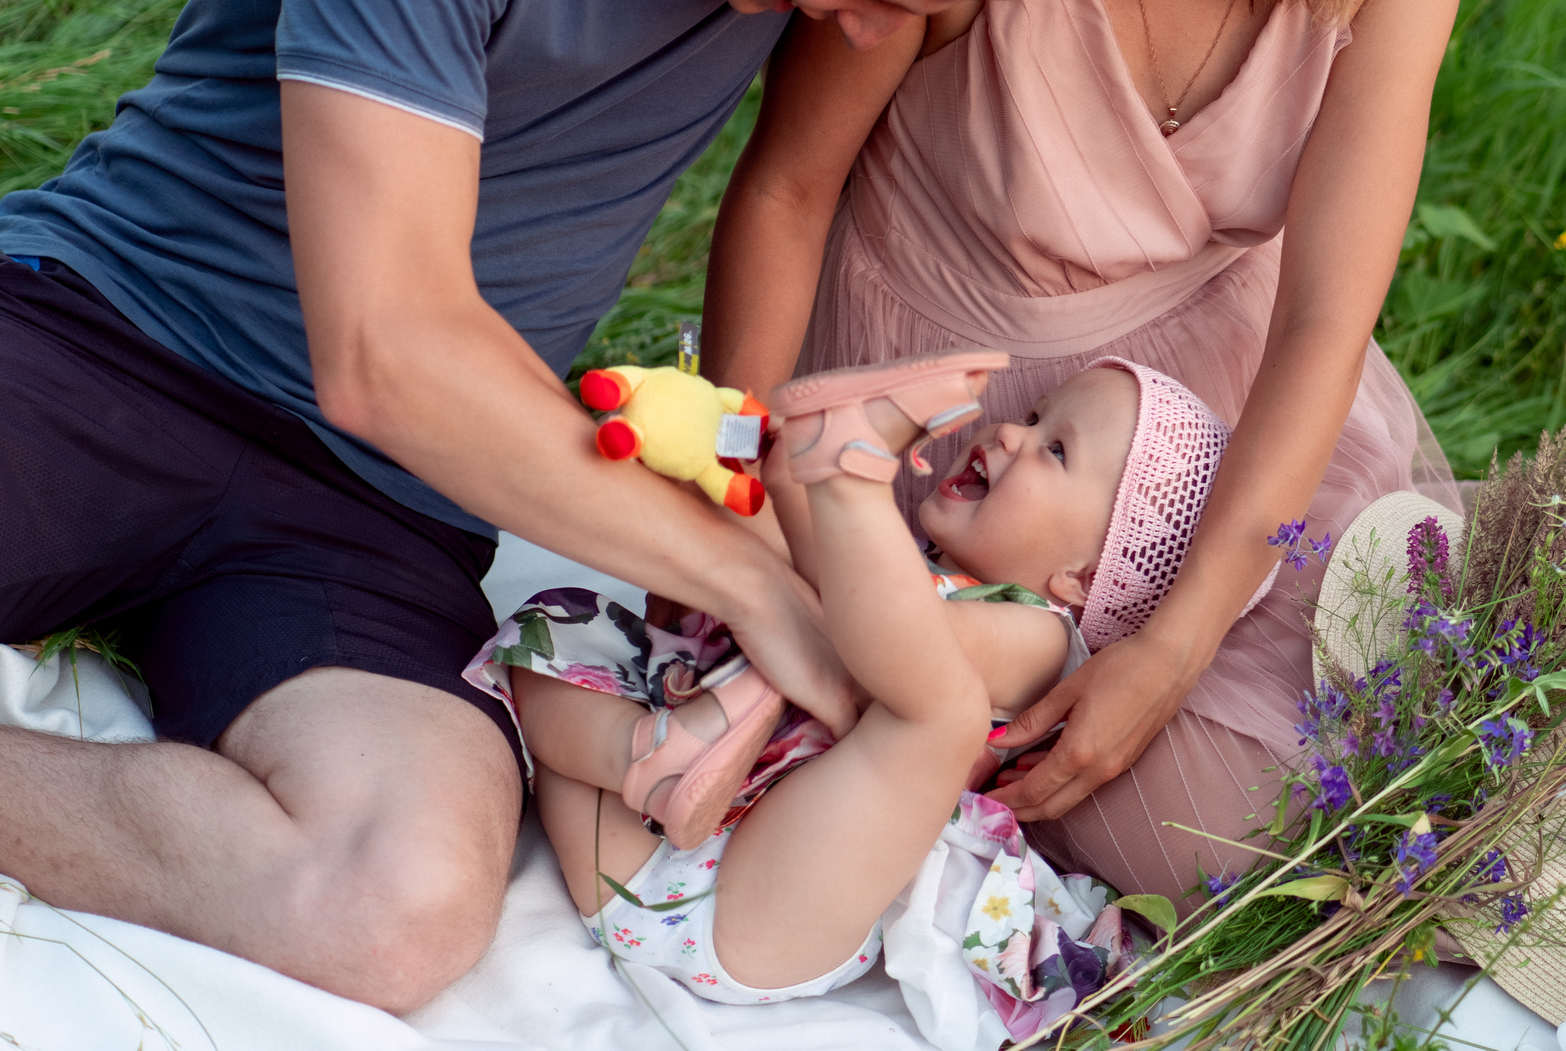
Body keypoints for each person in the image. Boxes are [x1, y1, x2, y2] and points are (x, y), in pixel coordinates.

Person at [0, 0, 1099, 1010]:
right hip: (110, 345)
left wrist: (753, 490)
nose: (872, 35)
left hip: (388, 502)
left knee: (391, 902)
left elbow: (791, 188)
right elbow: (387, 352)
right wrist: (752, 582)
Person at [699, 0, 1468, 905]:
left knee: (1414, 721)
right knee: (1197, 832)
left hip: (1221, 410)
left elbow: (1322, 317)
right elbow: (787, 189)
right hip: (957, 411)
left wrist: (1173, 640)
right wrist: (742, 503)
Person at [472, 353, 1243, 1029]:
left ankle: (837, 475)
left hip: (766, 906)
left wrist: (839, 497)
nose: (1009, 432)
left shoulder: (1040, 638)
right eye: (1033, 415)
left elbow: (877, 641)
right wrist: (736, 469)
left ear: (1079, 576)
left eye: (1055, 448)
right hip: (628, 845)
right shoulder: (895, 556)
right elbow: (795, 588)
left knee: (943, 713)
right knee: (557, 620)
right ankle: (647, 751)